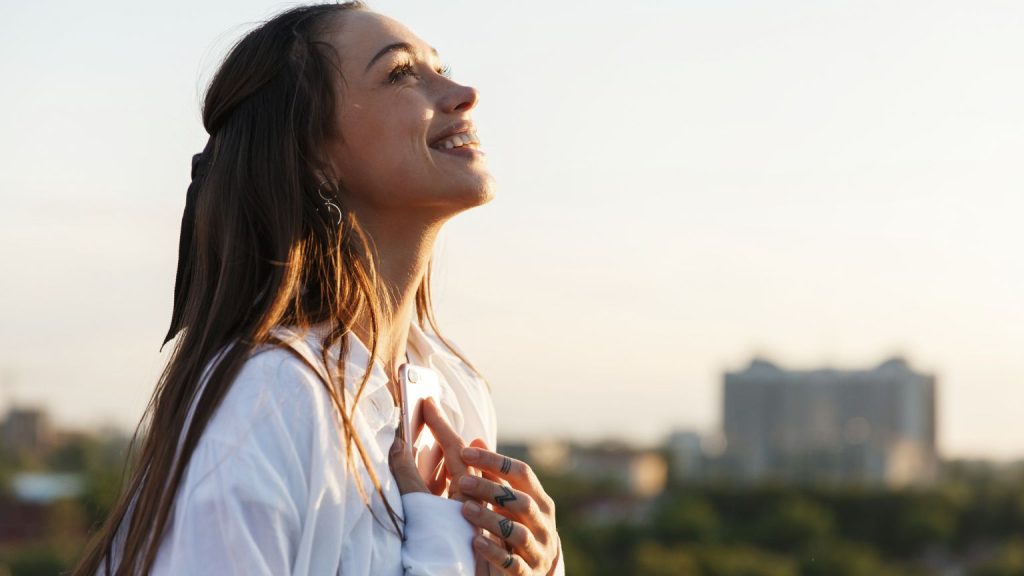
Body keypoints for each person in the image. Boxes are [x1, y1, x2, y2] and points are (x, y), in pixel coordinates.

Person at [72, 3, 564, 575]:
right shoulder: (270, 399)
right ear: (313, 156)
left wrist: (537, 564)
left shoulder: (456, 390)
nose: (463, 91)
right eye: (401, 73)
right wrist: (443, 555)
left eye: (441, 66)